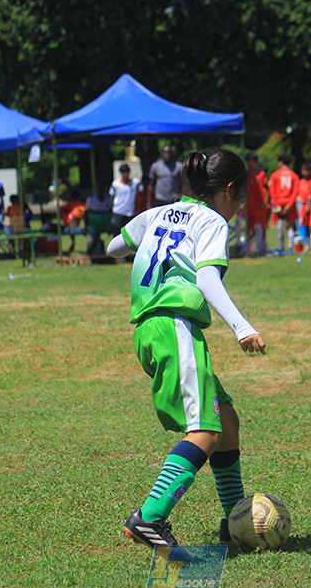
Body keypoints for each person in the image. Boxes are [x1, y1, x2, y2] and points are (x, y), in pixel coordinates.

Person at [107, 148, 266, 548]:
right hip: (175, 327)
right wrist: (242, 327)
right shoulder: (212, 221)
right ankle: (149, 517)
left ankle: (233, 519)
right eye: (241, 198)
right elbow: (207, 278)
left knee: (226, 419)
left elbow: (113, 247)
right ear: (229, 189)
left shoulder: (159, 212)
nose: (239, 207)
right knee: (206, 431)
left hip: (147, 329)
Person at [268, 154, 300, 254]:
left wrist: (276, 204)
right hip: (290, 203)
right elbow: (295, 191)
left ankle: (282, 248)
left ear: (281, 162)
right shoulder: (294, 175)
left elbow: (272, 190)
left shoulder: (275, 175)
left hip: (279, 202)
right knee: (290, 226)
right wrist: (290, 204)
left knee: (281, 227)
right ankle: (290, 248)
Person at [245, 153, 269, 257]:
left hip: (259, 205)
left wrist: (266, 201)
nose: (252, 164)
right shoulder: (246, 174)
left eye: (254, 161)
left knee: (259, 227)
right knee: (249, 229)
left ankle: (259, 249)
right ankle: (248, 250)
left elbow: (266, 188)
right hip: (249, 206)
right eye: (250, 161)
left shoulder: (261, 174)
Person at [110, 164, 142, 235]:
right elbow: (112, 195)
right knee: (117, 233)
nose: (125, 174)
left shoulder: (135, 183)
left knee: (129, 234)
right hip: (118, 211)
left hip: (130, 212)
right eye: (123, 172)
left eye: (126, 171)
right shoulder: (116, 183)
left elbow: (141, 191)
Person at [85, 182, 113, 256]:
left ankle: (113, 252)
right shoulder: (91, 200)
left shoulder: (109, 200)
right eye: (99, 189)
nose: (101, 191)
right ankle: (89, 252)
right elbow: (86, 214)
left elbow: (111, 212)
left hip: (106, 224)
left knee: (117, 231)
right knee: (95, 237)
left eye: (102, 189)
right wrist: (86, 226)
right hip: (94, 225)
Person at [59, 189, 85, 255]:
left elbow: (61, 209)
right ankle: (73, 242)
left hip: (70, 227)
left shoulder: (70, 204)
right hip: (76, 227)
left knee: (70, 222)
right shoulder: (81, 205)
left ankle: (73, 242)